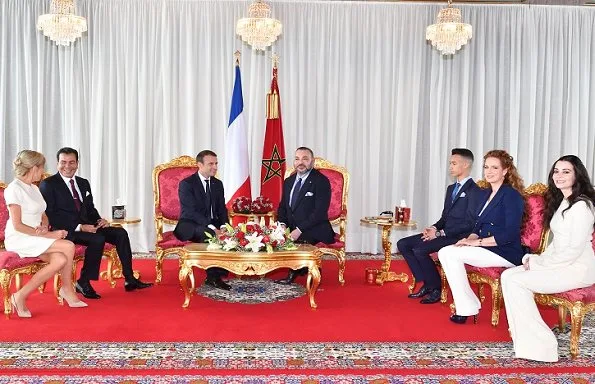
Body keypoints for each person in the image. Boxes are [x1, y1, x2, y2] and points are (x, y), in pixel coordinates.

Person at [501, 155, 595, 362]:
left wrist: (537, 264)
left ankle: (544, 345)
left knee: (516, 281)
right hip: (561, 263)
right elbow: (557, 244)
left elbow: (573, 250)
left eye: (566, 171)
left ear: (577, 175)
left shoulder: (582, 206)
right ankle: (525, 341)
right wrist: (536, 259)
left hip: (577, 269)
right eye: (556, 171)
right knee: (508, 276)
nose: (559, 176)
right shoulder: (564, 201)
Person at [40, 147, 152, 299]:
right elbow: (51, 215)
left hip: (88, 227)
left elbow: (90, 208)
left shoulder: (83, 183)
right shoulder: (48, 184)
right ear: (57, 163)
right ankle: (83, 282)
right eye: (63, 162)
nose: (67, 166)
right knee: (97, 239)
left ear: (77, 163)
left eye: (71, 162)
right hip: (66, 231)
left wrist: (99, 221)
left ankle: (129, 278)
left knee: (120, 233)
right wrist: (80, 227)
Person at [438, 149, 525, 324]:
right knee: (446, 251)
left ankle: (466, 307)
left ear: (505, 171)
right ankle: (466, 305)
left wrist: (477, 243)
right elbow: (477, 225)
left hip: (504, 251)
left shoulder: (510, 195)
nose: (489, 172)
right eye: (486, 167)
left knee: (448, 253)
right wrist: (468, 240)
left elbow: (510, 233)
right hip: (486, 247)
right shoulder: (486, 194)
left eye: (495, 167)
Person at [4, 150, 87, 317]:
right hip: (20, 237)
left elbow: (43, 214)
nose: (43, 171)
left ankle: (20, 295)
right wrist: (48, 235)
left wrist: (45, 226)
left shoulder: (34, 188)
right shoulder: (14, 189)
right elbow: (18, 225)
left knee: (61, 259)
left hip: (36, 235)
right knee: (68, 245)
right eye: (41, 167)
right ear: (34, 168)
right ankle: (67, 290)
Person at [397, 148, 482, 304]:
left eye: (454, 163)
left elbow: (470, 223)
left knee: (420, 250)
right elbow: (445, 216)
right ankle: (427, 283)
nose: (450, 166)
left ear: (465, 165)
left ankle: (436, 288)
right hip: (443, 233)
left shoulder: (475, 191)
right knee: (403, 244)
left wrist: (440, 233)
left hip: (458, 237)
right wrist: (434, 228)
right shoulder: (451, 189)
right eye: (450, 163)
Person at [275, 147, 335, 285]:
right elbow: (283, 207)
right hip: (293, 227)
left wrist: (298, 230)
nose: (300, 162)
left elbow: (319, 213)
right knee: (272, 237)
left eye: (305, 159)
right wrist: (282, 225)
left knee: (301, 241)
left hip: (316, 228)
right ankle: (299, 268)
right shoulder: (288, 181)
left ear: (312, 162)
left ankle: (302, 271)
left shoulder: (321, 181)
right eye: (297, 159)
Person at [173, 150, 231, 290]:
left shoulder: (218, 184)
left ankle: (221, 270)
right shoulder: (187, 184)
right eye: (211, 164)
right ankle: (213, 278)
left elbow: (222, 209)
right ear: (199, 165)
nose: (215, 167)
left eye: (216, 163)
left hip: (211, 223)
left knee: (229, 234)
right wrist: (213, 228)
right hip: (188, 224)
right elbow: (191, 212)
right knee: (209, 234)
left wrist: (224, 225)